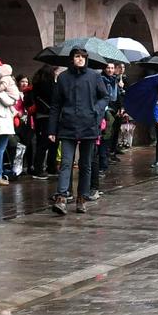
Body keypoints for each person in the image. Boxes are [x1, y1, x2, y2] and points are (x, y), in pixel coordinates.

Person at [49, 49, 109, 215]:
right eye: (77, 56)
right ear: (72, 59)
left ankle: (81, 198)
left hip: (89, 125)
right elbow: (56, 105)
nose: (80, 59)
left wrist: (96, 110)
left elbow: (105, 96)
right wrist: (52, 129)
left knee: (85, 164)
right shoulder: (63, 78)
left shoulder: (94, 76)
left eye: (83, 57)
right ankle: (61, 197)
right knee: (66, 162)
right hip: (67, 125)